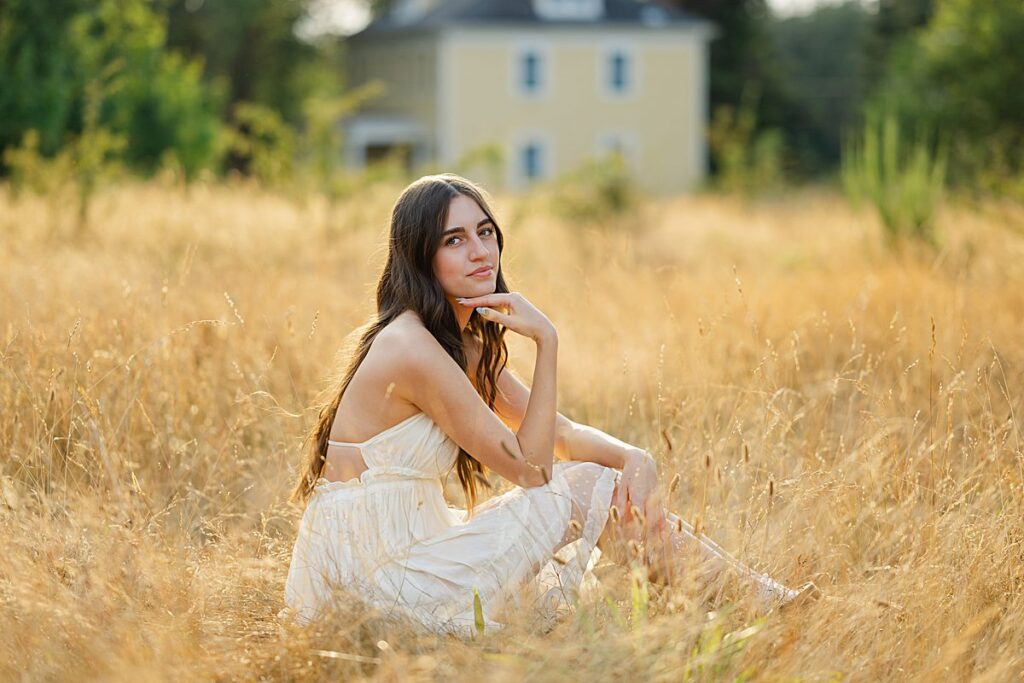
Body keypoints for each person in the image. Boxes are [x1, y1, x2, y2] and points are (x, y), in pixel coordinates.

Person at [281, 173, 817, 637]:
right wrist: (548, 342)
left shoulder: (454, 342)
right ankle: (758, 605)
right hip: (370, 576)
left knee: (595, 480)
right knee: (581, 486)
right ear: (421, 257)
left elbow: (557, 433)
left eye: (486, 232)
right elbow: (533, 470)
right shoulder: (411, 347)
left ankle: (758, 603)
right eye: (455, 240)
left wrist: (633, 456)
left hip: (412, 546)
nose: (480, 252)